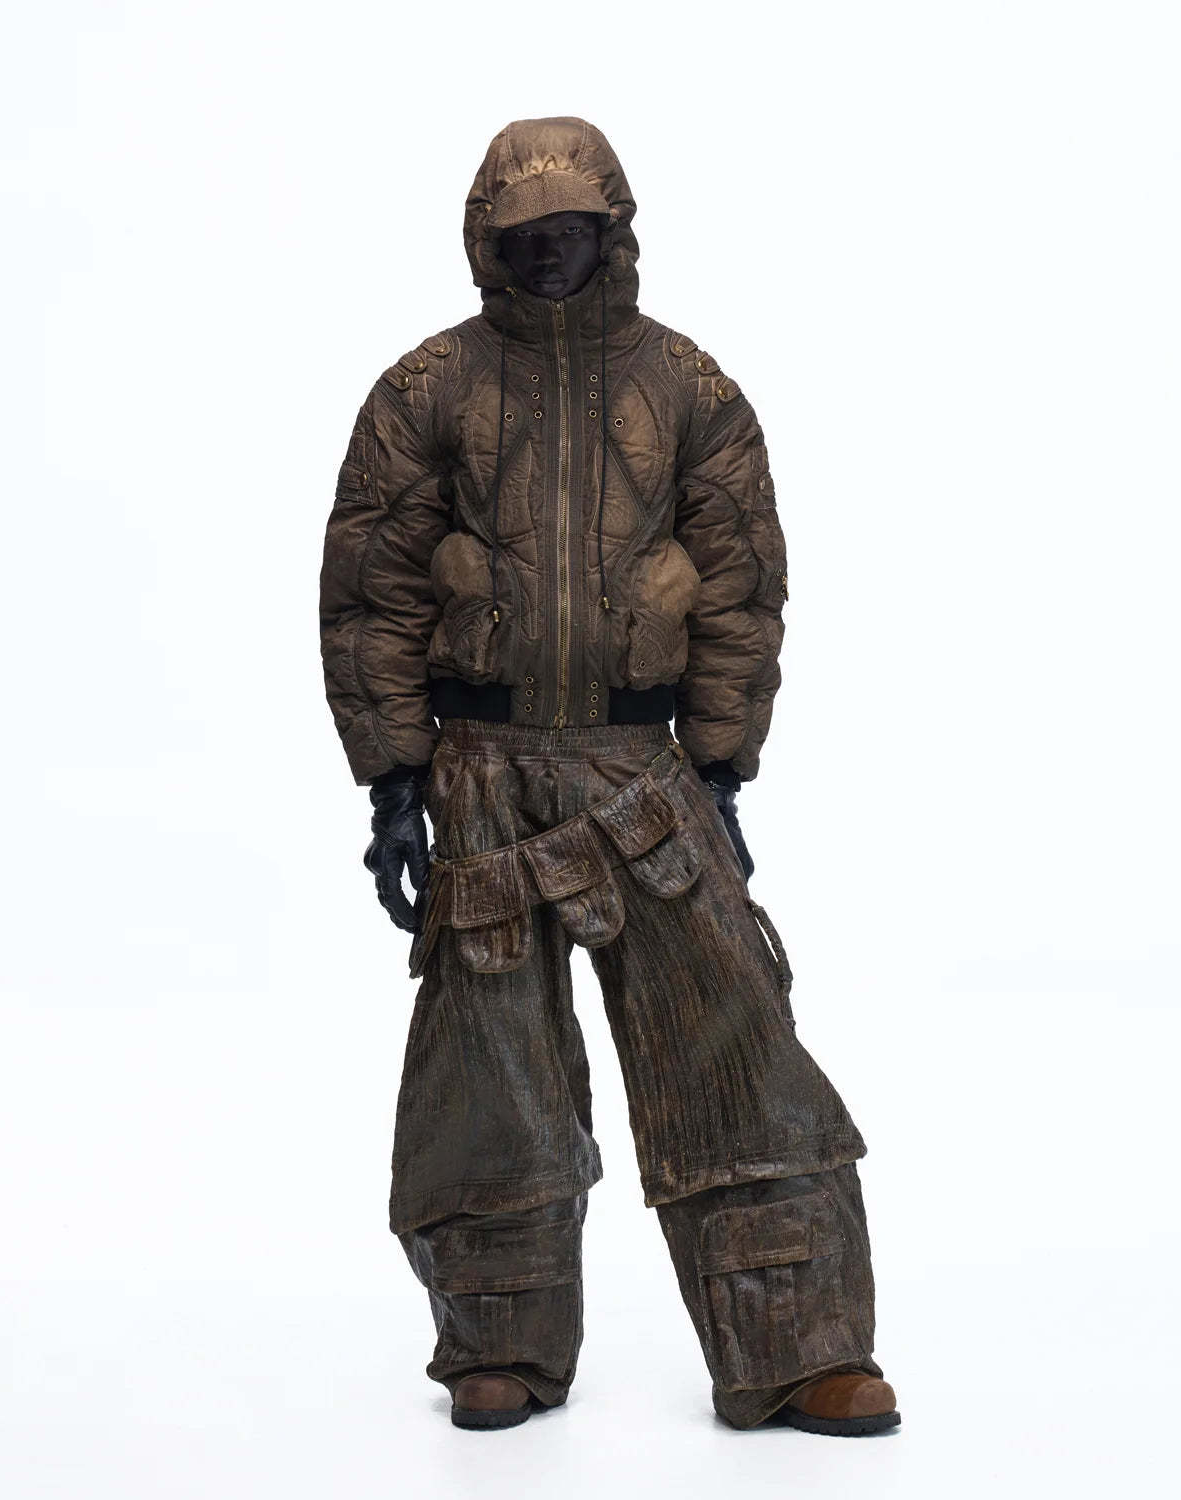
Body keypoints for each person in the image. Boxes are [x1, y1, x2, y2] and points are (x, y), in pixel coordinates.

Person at [318, 116, 900, 1435]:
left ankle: (799, 1346)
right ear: (487, 240)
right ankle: (500, 1339)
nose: (548, 253)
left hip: (645, 777)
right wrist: (394, 783)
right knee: (489, 1072)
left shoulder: (689, 389)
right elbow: (374, 592)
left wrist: (723, 769)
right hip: (480, 773)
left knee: (734, 1051)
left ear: (614, 231)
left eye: (572, 229)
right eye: (523, 234)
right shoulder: (425, 392)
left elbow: (742, 585)